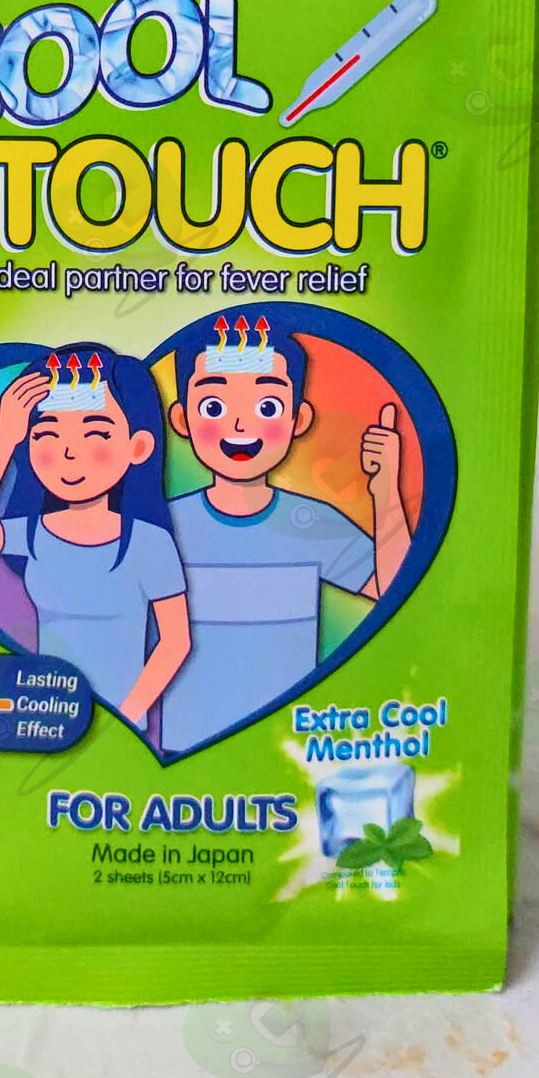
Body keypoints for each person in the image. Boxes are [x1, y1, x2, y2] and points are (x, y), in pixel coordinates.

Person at [161, 310, 410, 754]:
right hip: (182, 749)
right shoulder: (161, 528)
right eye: (214, 407)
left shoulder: (312, 523)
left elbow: (395, 591)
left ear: (298, 419)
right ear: (181, 419)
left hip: (285, 754)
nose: (240, 426)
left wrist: (387, 489)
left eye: (267, 407)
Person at [0, 344, 190, 729]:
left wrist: (124, 717)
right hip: (49, 721)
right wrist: (5, 439)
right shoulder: (35, 532)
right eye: (47, 435)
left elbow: (176, 641)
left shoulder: (148, 543)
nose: (69, 453)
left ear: (138, 447)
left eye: (95, 434)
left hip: (122, 729)